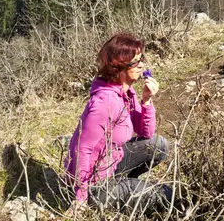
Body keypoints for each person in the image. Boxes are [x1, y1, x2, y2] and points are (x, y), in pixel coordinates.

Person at [64, 33, 170, 216]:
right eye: (136, 62)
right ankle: (109, 194)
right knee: (165, 194)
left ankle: (127, 184)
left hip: (112, 162)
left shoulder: (126, 93)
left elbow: (146, 133)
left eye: (141, 59)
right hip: (95, 185)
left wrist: (146, 101)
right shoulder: (106, 102)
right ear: (119, 67)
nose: (142, 65)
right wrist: (80, 198)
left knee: (159, 146)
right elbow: (82, 150)